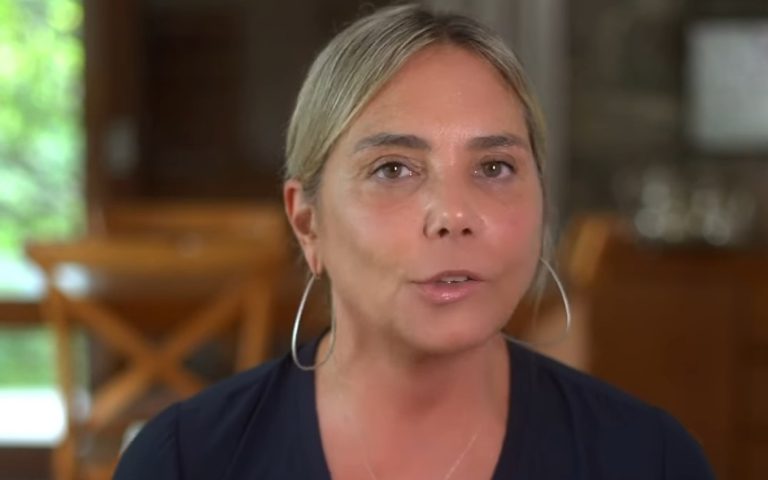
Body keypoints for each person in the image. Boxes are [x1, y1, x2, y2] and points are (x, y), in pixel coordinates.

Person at [114, 4, 715, 479]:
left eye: (494, 167)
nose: (453, 214)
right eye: (393, 169)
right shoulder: (185, 462)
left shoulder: (649, 460)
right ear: (308, 223)